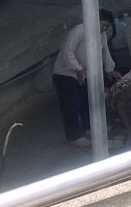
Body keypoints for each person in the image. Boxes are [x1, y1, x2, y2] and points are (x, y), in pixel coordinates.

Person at [52, 10, 122, 147]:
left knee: (86, 101)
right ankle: (74, 136)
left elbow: (105, 52)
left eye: (107, 26)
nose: (105, 29)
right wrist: (77, 68)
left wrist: (110, 69)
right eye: (104, 25)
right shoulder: (79, 31)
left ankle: (88, 128)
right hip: (65, 73)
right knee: (72, 103)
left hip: (85, 73)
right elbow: (68, 52)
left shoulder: (101, 35)